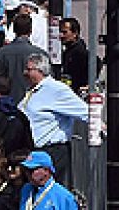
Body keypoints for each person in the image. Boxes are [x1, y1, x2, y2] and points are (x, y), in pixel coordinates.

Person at [17, 53, 87, 185]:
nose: (24, 73)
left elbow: (83, 110)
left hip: (52, 151)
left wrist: (99, 124)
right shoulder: (31, 90)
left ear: (40, 70)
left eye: (28, 69)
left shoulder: (56, 89)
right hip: (33, 150)